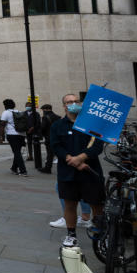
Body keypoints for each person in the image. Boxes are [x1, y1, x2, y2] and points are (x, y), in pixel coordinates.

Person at [48, 93, 105, 248]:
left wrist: (81, 158)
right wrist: (71, 160)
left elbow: (97, 146)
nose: (73, 103)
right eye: (69, 102)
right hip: (68, 173)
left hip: (90, 171)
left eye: (75, 101)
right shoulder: (57, 126)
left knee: (97, 205)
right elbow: (56, 146)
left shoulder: (91, 124)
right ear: (64, 106)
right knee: (70, 204)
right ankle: (71, 234)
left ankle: (101, 234)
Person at [0, 98, 27, 176]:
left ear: (5, 106)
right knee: (17, 152)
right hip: (21, 134)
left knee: (17, 153)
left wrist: (1, 137)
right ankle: (14, 168)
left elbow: (2, 125)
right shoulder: (18, 112)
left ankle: (23, 171)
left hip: (12, 135)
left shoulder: (6, 113)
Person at [38, 103, 60, 173]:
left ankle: (47, 168)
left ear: (46, 109)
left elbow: (43, 127)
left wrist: (40, 134)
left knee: (50, 154)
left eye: (43, 110)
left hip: (49, 137)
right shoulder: (57, 117)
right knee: (57, 152)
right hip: (58, 136)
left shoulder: (45, 117)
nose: (43, 111)